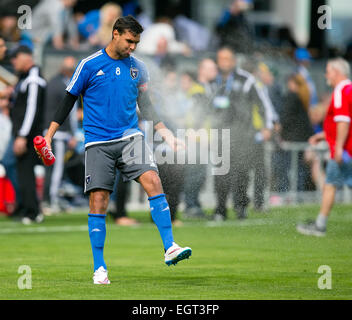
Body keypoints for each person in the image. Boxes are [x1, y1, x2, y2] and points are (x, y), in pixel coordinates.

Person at [43, 15, 192, 284]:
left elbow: (146, 105)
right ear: (115, 34)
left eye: (136, 42)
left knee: (154, 180)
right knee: (99, 201)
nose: (133, 47)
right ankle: (99, 268)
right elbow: (67, 101)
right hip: (98, 142)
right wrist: (50, 134)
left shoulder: (139, 68)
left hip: (130, 138)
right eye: (129, 41)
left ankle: (170, 247)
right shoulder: (89, 65)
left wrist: (166, 133)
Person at [211, 47, 271, 220]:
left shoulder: (246, 80)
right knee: (221, 173)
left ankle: (241, 206)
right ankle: (220, 209)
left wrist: (267, 126)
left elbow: (262, 104)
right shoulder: (214, 80)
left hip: (242, 135)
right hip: (220, 134)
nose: (224, 62)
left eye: (227, 58)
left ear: (234, 60)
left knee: (241, 172)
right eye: (221, 58)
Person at [297, 58, 352, 237]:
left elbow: (343, 121)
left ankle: (320, 225)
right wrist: (324, 135)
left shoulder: (340, 91)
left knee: (330, 184)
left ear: (336, 73)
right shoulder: (350, 89)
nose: (326, 75)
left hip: (345, 150)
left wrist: (337, 148)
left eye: (328, 71)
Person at [9, 45, 46, 224]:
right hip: (25, 134)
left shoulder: (33, 79)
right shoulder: (25, 78)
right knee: (22, 172)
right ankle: (25, 207)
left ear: (25, 57)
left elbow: (31, 110)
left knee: (26, 173)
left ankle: (32, 212)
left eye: (15, 58)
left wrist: (22, 136)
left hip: (30, 136)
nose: (13, 62)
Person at [42, 56, 79, 214]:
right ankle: (50, 200)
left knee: (55, 169)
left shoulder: (56, 82)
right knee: (55, 169)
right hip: (58, 134)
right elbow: (66, 112)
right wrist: (71, 133)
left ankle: (51, 198)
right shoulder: (60, 84)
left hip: (58, 133)